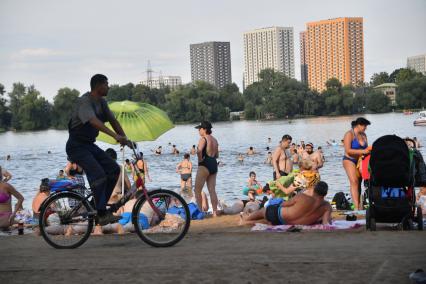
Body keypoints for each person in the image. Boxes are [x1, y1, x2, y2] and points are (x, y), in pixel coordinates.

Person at [66, 74, 131, 226]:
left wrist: (125, 139)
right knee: (99, 174)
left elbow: (113, 121)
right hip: (76, 146)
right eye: (106, 84)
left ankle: (99, 208)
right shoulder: (85, 102)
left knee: (114, 170)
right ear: (98, 86)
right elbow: (94, 122)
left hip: (89, 145)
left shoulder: (102, 102)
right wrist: (115, 136)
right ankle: (101, 212)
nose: (108, 87)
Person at [240, 181, 332, 226]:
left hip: (279, 215)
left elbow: (284, 204)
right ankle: (247, 221)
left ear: (314, 190)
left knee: (264, 211)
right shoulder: (327, 207)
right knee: (267, 221)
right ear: (325, 193)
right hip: (286, 223)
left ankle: (247, 219)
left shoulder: (303, 197)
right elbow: (326, 223)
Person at [342, 117, 371, 210]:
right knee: (354, 182)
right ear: (358, 125)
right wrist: (363, 151)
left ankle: (359, 205)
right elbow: (348, 150)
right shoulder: (349, 134)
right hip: (349, 160)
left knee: (359, 183)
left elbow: (367, 150)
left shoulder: (364, 135)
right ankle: (356, 207)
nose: (365, 128)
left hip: (361, 161)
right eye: (364, 126)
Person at [194, 121, 220, 216]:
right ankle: (215, 212)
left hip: (205, 164)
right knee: (212, 190)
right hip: (213, 163)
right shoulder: (215, 140)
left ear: (204, 129)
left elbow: (199, 151)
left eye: (199, 129)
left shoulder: (203, 139)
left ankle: (200, 212)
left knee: (197, 190)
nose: (198, 131)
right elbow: (217, 155)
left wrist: (200, 160)